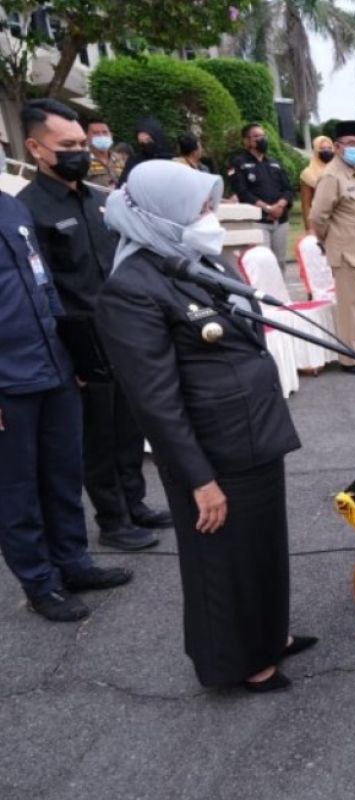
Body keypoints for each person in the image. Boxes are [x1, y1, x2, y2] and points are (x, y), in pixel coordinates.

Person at [96, 160, 313, 691]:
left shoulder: (189, 259)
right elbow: (155, 401)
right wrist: (199, 479)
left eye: (209, 205)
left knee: (263, 544)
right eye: (199, 208)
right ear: (161, 214)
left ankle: (270, 634)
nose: (209, 217)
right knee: (222, 558)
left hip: (253, 433)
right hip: (211, 451)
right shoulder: (132, 287)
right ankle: (236, 663)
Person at [17, 98, 167, 552]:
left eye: (83, 142)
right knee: (97, 437)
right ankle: (113, 519)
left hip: (122, 331)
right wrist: (71, 352)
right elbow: (38, 288)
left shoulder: (100, 200)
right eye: (68, 145)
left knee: (130, 426)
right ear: (35, 149)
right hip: (78, 341)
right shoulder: (29, 210)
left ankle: (135, 503)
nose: (82, 151)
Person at [0, 188, 133, 622]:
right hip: (7, 382)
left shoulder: (12, 207)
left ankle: (73, 562)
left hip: (53, 367)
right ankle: (40, 582)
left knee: (63, 474)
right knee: (17, 491)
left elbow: (44, 284)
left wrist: (73, 354)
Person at [310, 120, 355, 375]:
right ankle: (350, 358)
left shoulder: (354, 172)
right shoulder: (332, 174)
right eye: (351, 144)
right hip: (348, 254)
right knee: (350, 309)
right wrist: (333, 240)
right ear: (338, 147)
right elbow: (318, 216)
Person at [228, 123, 293, 268]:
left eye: (263, 136)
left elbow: (288, 189)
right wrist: (268, 209)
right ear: (246, 141)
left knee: (280, 262)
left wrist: (280, 205)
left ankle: (279, 290)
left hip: (280, 221)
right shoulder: (239, 163)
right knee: (264, 263)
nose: (262, 139)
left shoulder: (274, 163)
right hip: (258, 222)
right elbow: (242, 193)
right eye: (257, 136)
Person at [116, 116, 172, 187]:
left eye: (148, 140)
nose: (146, 145)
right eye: (141, 142)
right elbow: (122, 187)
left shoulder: (170, 160)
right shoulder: (134, 161)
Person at [299, 135, 334, 232]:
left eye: (329, 148)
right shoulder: (308, 174)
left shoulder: (338, 170)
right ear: (315, 151)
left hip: (339, 222)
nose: (326, 151)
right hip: (319, 222)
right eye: (322, 148)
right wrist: (309, 228)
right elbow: (306, 204)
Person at [85, 118, 125, 189]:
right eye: (96, 133)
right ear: (87, 137)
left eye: (105, 132)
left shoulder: (120, 159)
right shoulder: (82, 159)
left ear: (111, 135)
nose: (101, 136)